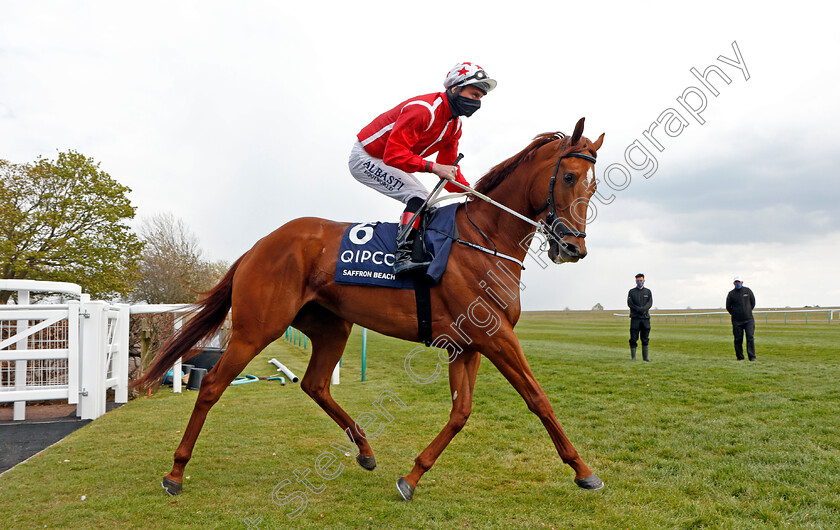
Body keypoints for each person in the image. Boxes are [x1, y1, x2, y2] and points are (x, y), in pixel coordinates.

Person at [349, 62, 497, 276]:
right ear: (454, 88)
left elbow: (450, 169)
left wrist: (472, 193)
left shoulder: (454, 126)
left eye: (480, 98)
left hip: (386, 158)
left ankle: (416, 252)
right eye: (474, 94)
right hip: (366, 156)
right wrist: (434, 167)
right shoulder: (423, 110)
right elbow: (393, 155)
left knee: (425, 198)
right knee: (419, 195)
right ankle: (402, 258)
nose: (477, 102)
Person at [726, 275, 756, 361]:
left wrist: (747, 311)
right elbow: (728, 307)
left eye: (739, 282)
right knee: (738, 339)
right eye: (736, 282)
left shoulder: (748, 291)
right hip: (737, 321)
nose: (737, 283)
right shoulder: (731, 294)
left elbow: (753, 303)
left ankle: (752, 357)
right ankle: (740, 357)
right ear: (733, 283)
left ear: (742, 282)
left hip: (749, 319)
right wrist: (735, 314)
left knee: (750, 337)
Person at [627, 273, 652, 361]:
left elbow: (649, 303)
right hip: (635, 318)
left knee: (645, 338)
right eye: (638, 281)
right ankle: (633, 357)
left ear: (644, 281)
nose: (639, 282)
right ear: (635, 281)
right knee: (633, 338)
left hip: (645, 319)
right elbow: (630, 304)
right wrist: (638, 309)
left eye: (641, 281)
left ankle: (645, 358)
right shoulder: (631, 292)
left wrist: (643, 310)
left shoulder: (648, 292)